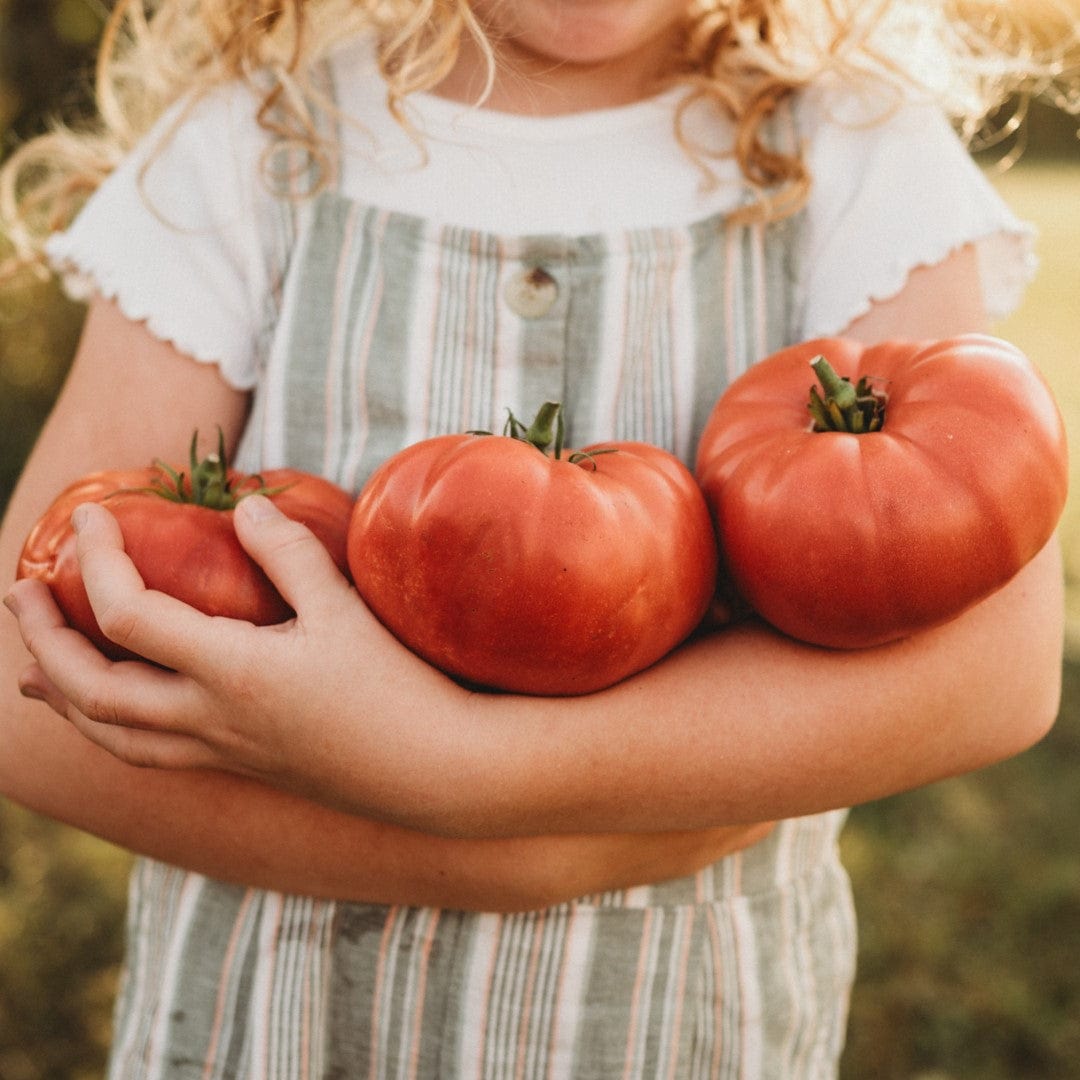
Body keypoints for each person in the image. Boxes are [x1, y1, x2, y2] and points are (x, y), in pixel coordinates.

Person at [0, 1, 1075, 1076]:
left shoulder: (848, 140)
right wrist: (497, 857)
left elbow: (997, 669)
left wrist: (465, 770)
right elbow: (22, 692)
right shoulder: (255, 133)